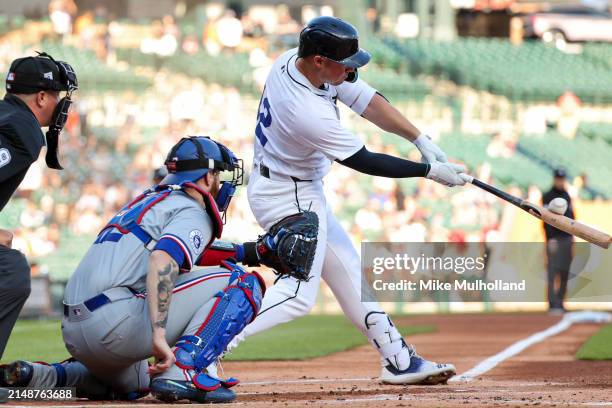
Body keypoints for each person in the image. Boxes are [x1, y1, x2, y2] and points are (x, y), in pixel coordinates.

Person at [226, 16, 467, 385]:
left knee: (350, 274)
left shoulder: (301, 62)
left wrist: (420, 139)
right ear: (320, 59)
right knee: (299, 296)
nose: (351, 70)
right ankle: (205, 345)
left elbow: (368, 101)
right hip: (287, 196)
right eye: (345, 63)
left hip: (298, 188)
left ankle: (398, 360)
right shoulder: (305, 110)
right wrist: (428, 172)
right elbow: (364, 160)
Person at [1, 136, 315, 403]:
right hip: (114, 324)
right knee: (244, 284)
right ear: (206, 178)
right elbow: (163, 260)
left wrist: (250, 251)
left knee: (137, 380)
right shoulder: (192, 210)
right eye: (218, 175)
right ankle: (185, 371)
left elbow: (190, 253)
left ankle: (44, 376)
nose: (221, 183)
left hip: (78, 333)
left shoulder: (148, 203)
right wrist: (159, 335)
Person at [0, 52, 78, 359]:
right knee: (11, 270)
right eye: (57, 94)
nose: (60, 103)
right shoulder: (22, 129)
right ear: (42, 97)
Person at [542, 168, 575, 314]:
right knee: (552, 271)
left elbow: (572, 217)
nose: (560, 181)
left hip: (567, 237)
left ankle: (560, 302)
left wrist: (572, 235)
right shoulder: (548, 196)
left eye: (562, 179)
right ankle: (552, 303)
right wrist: (550, 238)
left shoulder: (567, 195)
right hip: (555, 239)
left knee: (565, 272)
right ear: (554, 179)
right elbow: (545, 219)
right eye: (558, 178)